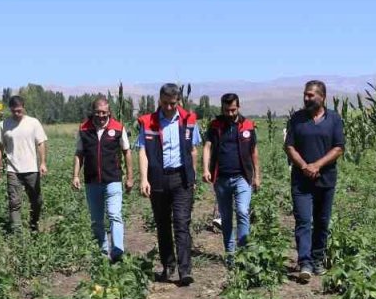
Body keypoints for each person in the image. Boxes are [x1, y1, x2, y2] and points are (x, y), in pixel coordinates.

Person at [137, 83, 201, 285]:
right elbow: (142, 151)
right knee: (163, 225)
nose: (169, 107)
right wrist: (144, 178)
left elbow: (193, 151)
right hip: (158, 178)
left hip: (181, 179)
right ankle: (168, 266)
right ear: (159, 100)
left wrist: (193, 177)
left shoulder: (189, 120)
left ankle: (185, 271)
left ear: (178, 101)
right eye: (165, 103)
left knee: (182, 224)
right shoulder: (149, 122)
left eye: (172, 103)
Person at [285, 80, 345, 283]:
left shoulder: (334, 119)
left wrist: (317, 165)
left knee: (321, 221)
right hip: (301, 181)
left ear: (322, 97)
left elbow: (338, 148)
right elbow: (290, 147)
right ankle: (305, 262)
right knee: (303, 221)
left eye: (311, 95)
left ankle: (317, 259)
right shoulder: (297, 119)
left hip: (325, 179)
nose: (306, 98)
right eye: (305, 94)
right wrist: (304, 166)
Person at [203, 93, 260, 268]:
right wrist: (205, 169)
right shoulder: (215, 125)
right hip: (221, 178)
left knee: (242, 211)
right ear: (222, 108)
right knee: (226, 217)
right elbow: (207, 147)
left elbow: (254, 152)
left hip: (243, 177)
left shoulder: (248, 125)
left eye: (233, 109)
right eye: (226, 110)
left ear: (238, 107)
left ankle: (243, 253)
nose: (230, 113)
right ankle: (230, 253)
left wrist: (257, 176)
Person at [73, 97, 134, 261]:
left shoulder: (118, 128)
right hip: (92, 181)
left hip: (113, 179)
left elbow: (127, 152)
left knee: (115, 214)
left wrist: (129, 177)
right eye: (98, 112)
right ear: (93, 112)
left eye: (104, 113)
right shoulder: (84, 129)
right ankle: (102, 251)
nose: (101, 116)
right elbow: (79, 154)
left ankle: (118, 250)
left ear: (109, 112)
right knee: (96, 220)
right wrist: (75, 175)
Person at [0, 95, 48, 233]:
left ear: (23, 107)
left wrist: (42, 163)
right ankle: (17, 235)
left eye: (19, 110)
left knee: (36, 201)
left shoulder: (33, 123)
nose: (16, 114)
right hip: (13, 170)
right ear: (10, 110)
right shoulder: (4, 125)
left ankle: (33, 226)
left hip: (31, 169)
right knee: (14, 203)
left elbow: (41, 143)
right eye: (13, 111)